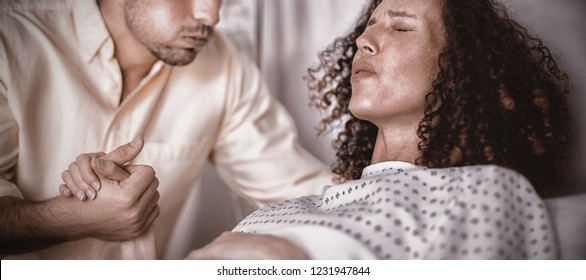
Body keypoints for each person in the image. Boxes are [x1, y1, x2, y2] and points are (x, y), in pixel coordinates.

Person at [184, 0, 572, 259]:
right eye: (369, 27)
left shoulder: (485, 191)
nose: (363, 41)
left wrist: (293, 263)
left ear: (462, 73)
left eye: (401, 28)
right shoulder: (283, 210)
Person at [0, 0, 332, 259]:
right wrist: (69, 218)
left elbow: (302, 188)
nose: (211, 15)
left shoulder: (225, 67)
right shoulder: (11, 40)